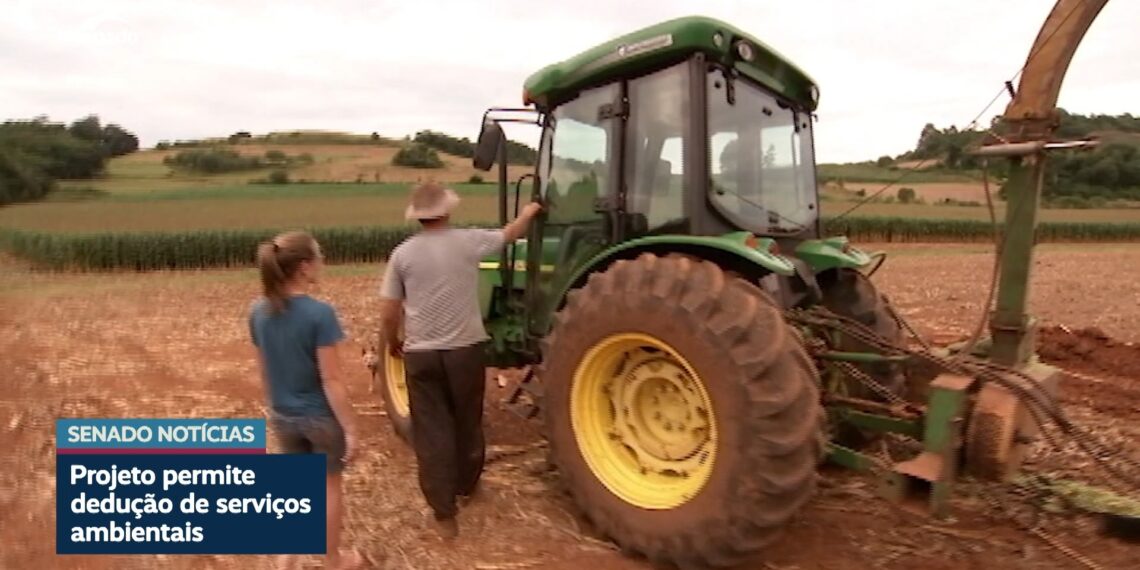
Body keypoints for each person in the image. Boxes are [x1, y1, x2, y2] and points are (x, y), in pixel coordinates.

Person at [378, 182, 542, 539]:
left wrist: (393, 343)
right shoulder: (470, 242)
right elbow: (510, 234)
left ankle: (444, 513)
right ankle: (467, 486)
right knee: (468, 420)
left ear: (418, 217)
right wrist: (529, 212)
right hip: (465, 351)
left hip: (421, 354)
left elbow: (390, 311)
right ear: (447, 211)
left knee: (432, 430)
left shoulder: (402, 255)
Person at [248, 230, 363, 569]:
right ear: (303, 267)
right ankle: (333, 560)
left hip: (283, 415)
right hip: (320, 419)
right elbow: (331, 379)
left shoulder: (257, 312)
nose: (322, 263)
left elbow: (265, 371)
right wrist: (351, 429)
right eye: (318, 257)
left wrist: (276, 409)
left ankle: (287, 558)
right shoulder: (319, 314)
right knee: (329, 488)